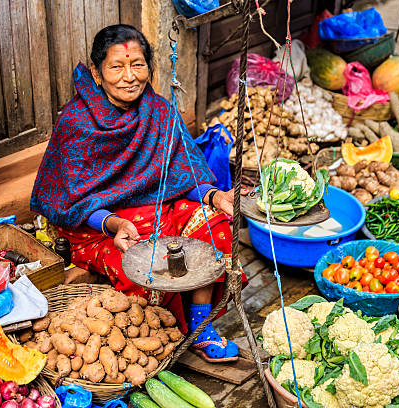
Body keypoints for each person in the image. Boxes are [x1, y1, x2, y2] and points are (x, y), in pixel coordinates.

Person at [31, 24, 246, 363]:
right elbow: (69, 196)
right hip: (98, 227)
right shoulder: (77, 121)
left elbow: (184, 169)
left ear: (149, 68)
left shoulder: (158, 111)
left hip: (159, 208)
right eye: (117, 66)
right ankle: (161, 332)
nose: (129, 76)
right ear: (97, 73)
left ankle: (200, 325)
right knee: (143, 267)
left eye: (138, 65)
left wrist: (213, 196)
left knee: (215, 229)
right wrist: (113, 223)